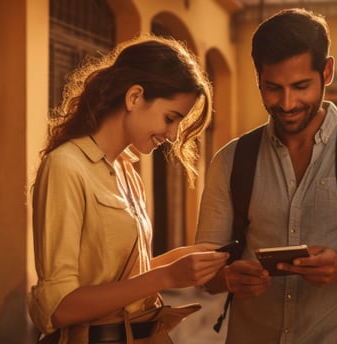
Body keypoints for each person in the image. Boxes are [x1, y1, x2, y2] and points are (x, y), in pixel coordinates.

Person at [195, 8, 337, 343]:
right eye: (273, 88)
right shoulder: (232, 160)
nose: (287, 102)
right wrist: (228, 278)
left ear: (327, 71)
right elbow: (204, 270)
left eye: (301, 86)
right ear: (258, 78)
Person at [28, 35, 229, 344]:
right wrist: (166, 276)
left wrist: (179, 260)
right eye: (170, 118)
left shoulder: (127, 171)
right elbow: (59, 308)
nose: (174, 135)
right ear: (134, 97)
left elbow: (119, 280)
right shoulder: (66, 165)